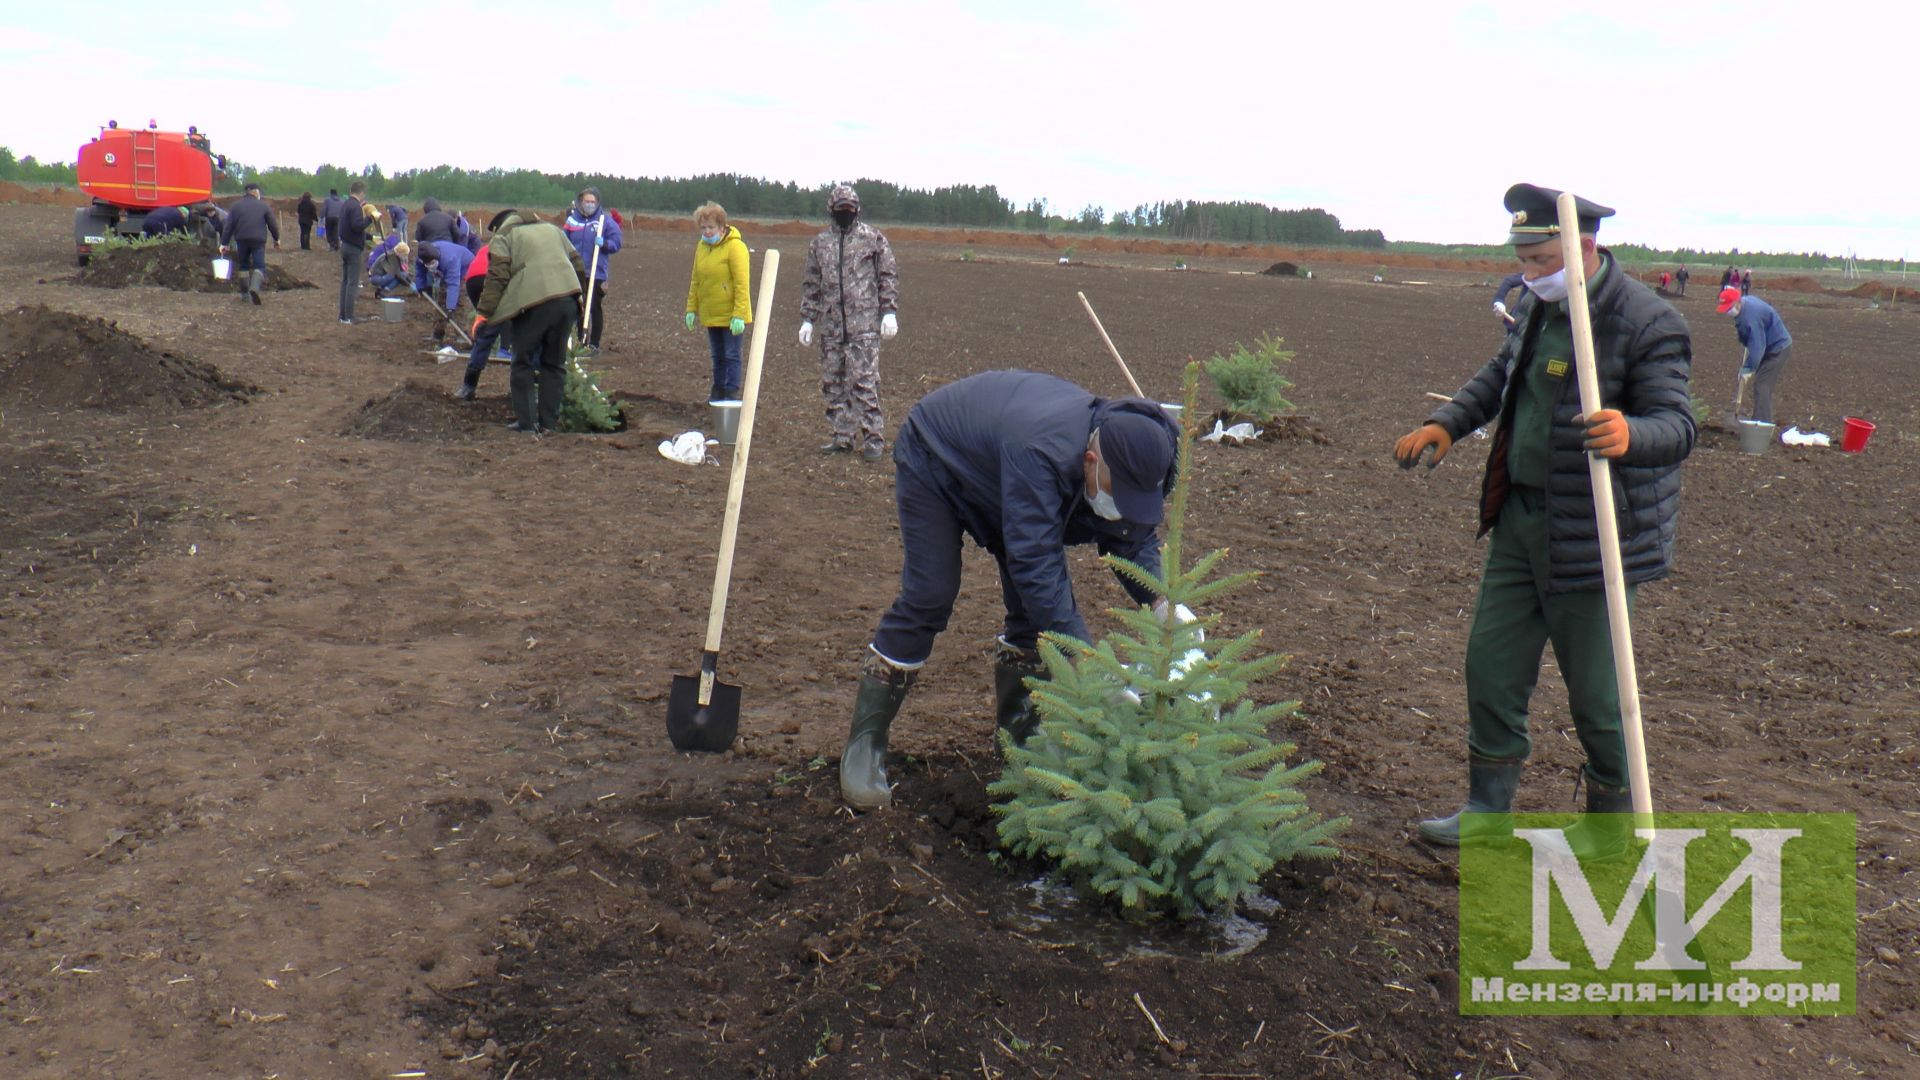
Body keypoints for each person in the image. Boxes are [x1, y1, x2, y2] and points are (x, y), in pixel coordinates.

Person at [1393, 183, 1694, 852]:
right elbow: (1499, 377)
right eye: (1524, 261)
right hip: (1520, 521)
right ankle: (1487, 810)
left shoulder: (1646, 322)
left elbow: (1677, 424)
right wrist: (1445, 424)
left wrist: (1629, 434)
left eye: (1538, 261)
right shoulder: (1536, 307)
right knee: (1490, 666)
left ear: (1582, 247)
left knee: (1598, 693)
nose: (1527, 275)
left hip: (1596, 538)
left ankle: (1610, 827)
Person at [838, 370, 1181, 810]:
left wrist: (1162, 601)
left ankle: (1019, 740)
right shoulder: (1041, 451)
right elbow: (1036, 563)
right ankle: (865, 745)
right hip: (939, 458)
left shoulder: (1143, 450)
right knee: (931, 593)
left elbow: (1132, 535)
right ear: (1090, 463)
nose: (1121, 508)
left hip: (1004, 471)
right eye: (1118, 494)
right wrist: (1093, 667)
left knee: (1028, 610)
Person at [799, 183, 901, 462]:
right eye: (840, 209)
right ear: (830, 211)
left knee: (864, 383)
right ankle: (842, 437)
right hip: (832, 327)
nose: (845, 213)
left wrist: (888, 312)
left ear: (857, 210)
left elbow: (887, 277)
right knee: (833, 383)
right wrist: (808, 319)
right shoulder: (819, 244)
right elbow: (812, 284)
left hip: (864, 327)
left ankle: (873, 439)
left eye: (849, 209)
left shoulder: (873, 239)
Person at [473, 209, 590, 434]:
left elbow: (498, 276)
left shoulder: (504, 238)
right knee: (554, 363)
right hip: (567, 302)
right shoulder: (554, 231)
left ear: (501, 226)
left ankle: (526, 424)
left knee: (522, 361)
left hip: (534, 303)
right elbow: (578, 265)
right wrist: (580, 298)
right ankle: (549, 425)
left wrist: (484, 313)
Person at [683, 202, 752, 402]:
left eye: (710, 227)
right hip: (711, 313)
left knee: (731, 355)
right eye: (703, 227)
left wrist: (739, 314)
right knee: (717, 357)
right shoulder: (702, 247)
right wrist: (691, 309)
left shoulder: (736, 247)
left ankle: (730, 393)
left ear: (722, 227)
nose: (706, 231)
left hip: (731, 316)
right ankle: (718, 391)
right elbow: (696, 279)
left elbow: (741, 284)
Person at [561, 186, 622, 355]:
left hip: (596, 272)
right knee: (577, 307)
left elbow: (617, 242)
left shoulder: (604, 221)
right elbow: (562, 241)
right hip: (575, 272)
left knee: (593, 307)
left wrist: (605, 244)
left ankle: (594, 344)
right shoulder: (572, 221)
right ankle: (580, 341)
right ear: (581, 202)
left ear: (597, 203)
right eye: (587, 201)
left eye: (592, 202)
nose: (589, 204)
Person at [1718, 286, 1792, 425]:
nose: (1728, 311)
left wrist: (1747, 369)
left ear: (1738, 302)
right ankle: (1760, 420)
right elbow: (1752, 341)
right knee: (1762, 384)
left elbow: (1758, 346)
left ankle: (1761, 424)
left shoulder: (1750, 318)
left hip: (1778, 348)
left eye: (1729, 307)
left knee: (1762, 384)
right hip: (1769, 345)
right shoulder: (1744, 305)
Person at [455, 241, 510, 402]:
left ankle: (468, 386)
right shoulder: (514, 245)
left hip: (472, 279)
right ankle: (505, 349)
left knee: (485, 321)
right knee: (505, 316)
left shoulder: (493, 244)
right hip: (492, 278)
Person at [219, 182, 281, 306]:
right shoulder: (263, 206)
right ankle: (254, 288)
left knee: (243, 265)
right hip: (258, 240)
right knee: (259, 266)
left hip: (241, 239)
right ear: (256, 192)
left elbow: (228, 226)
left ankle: (245, 294)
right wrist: (276, 239)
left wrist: (224, 243)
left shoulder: (236, 206)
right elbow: (272, 224)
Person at [414, 238, 473, 342]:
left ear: (436, 258)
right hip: (447, 271)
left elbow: (453, 284)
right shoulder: (421, 257)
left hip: (467, 269)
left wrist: (450, 307)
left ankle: (462, 335)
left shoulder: (450, 259)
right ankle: (438, 334)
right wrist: (421, 286)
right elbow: (419, 270)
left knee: (459, 302)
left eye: (432, 262)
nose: (430, 265)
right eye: (428, 264)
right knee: (441, 302)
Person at [336, 181, 372, 324]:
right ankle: (349, 317)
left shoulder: (345, 204)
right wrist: (369, 219)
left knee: (345, 282)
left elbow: (349, 226)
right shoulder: (355, 206)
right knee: (352, 283)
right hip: (353, 249)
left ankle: (342, 316)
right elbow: (357, 226)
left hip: (345, 246)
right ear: (361, 192)